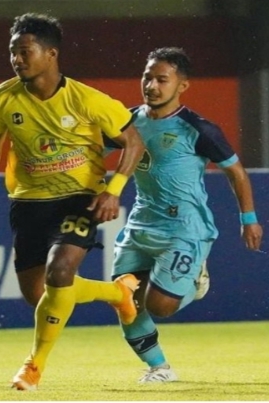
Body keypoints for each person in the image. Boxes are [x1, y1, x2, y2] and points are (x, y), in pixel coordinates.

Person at [0, 13, 146, 391]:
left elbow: (133, 142)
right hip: (28, 202)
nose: (16, 59)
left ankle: (33, 366)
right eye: (12, 52)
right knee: (40, 296)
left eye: (25, 52)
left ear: (51, 54)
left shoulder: (87, 99)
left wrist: (113, 190)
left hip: (79, 198)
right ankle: (116, 292)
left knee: (60, 272)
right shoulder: (2, 98)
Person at [108, 46, 263, 383]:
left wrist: (248, 219)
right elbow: (90, 152)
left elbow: (236, 172)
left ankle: (196, 278)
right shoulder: (127, 122)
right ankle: (159, 368)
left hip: (183, 227)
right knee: (125, 299)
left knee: (160, 306)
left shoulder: (198, 129)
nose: (151, 86)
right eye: (147, 77)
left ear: (182, 86)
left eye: (161, 79)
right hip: (140, 224)